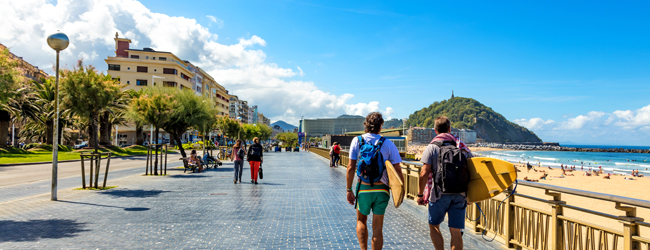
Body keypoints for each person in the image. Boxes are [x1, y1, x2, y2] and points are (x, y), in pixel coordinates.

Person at [346, 112, 404, 250]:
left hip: (363, 189)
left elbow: (350, 167)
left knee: (361, 220)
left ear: (366, 125)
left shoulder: (357, 140)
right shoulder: (388, 143)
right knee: (378, 227)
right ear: (381, 126)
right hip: (382, 189)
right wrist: (401, 192)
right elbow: (398, 169)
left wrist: (349, 190)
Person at [416, 116, 472, 250]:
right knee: (456, 232)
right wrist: (470, 195)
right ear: (449, 128)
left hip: (438, 193)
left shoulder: (432, 147)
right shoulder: (460, 146)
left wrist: (420, 194)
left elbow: (424, 172)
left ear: (435, 130)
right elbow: (473, 170)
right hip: (460, 193)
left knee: (434, 226)